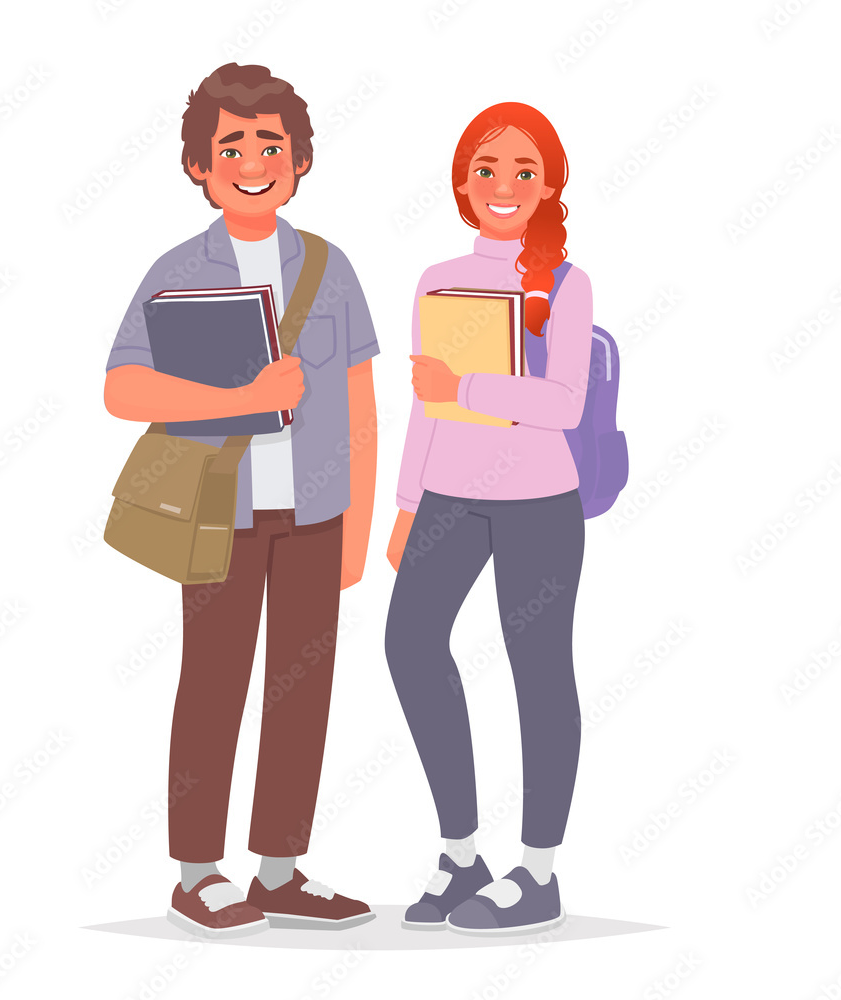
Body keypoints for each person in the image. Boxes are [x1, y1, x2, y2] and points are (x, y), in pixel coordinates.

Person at [104, 63, 379, 938]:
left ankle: (279, 870)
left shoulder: (332, 269)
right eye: (233, 144)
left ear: (298, 160)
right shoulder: (178, 269)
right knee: (214, 684)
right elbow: (123, 391)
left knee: (305, 690)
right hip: (217, 512)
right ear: (199, 165)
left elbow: (365, 406)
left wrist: (358, 529)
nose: (253, 159)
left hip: (316, 510)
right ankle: (196, 873)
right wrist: (238, 401)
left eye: (272, 144)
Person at [385, 103, 592, 935]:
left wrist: (466, 389)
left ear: (547, 188)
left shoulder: (567, 287)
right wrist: (405, 506)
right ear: (462, 184)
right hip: (450, 497)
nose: (503, 186)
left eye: (523, 172)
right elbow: (421, 409)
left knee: (536, 668)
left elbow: (564, 405)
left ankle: (537, 872)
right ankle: (461, 853)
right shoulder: (437, 278)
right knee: (409, 644)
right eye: (486, 169)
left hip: (540, 498)